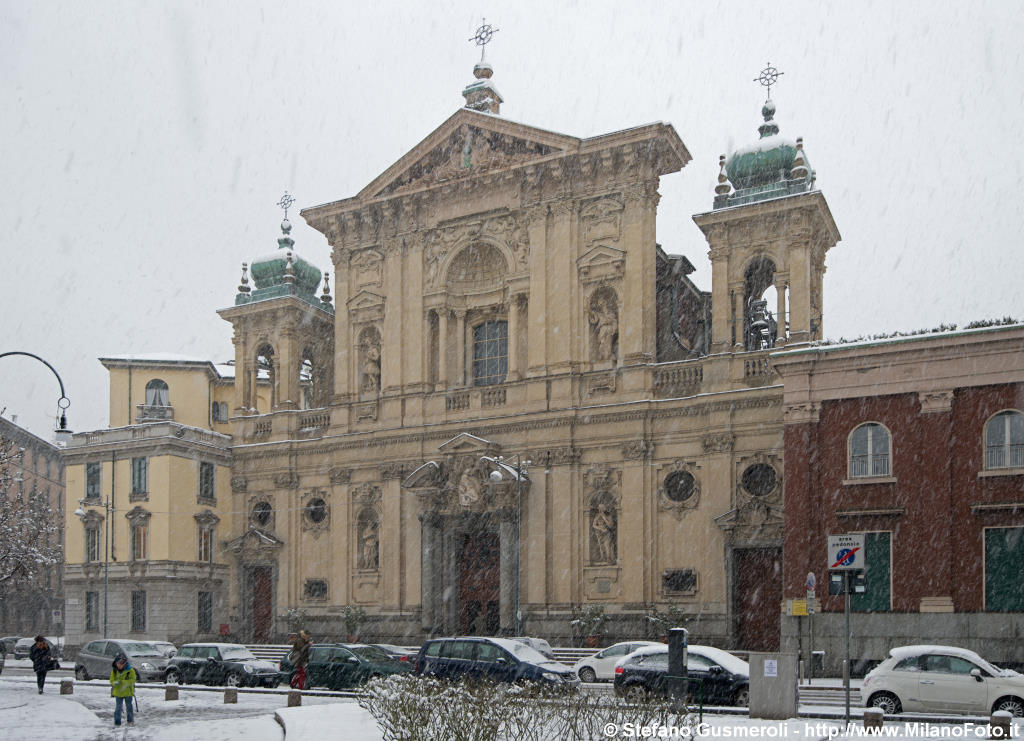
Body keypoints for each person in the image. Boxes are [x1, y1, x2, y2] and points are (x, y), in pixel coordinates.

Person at [110, 652, 137, 727]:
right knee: (118, 708)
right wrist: (114, 683)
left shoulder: (130, 671)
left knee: (129, 707)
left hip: (128, 692)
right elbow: (111, 680)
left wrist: (124, 682)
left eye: (121, 664)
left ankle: (130, 720)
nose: (119, 666)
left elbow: (133, 679)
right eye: (118, 664)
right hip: (118, 693)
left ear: (125, 664)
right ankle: (117, 722)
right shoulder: (114, 671)